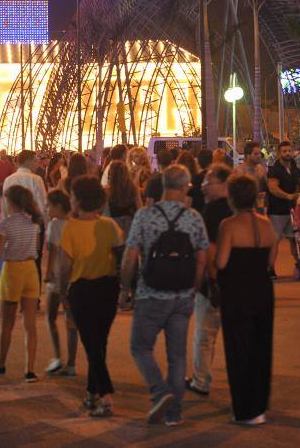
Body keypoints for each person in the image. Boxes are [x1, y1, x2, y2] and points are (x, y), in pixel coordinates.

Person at [121, 164, 208, 427]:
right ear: (185, 187)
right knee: (177, 356)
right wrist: (193, 287)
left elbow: (130, 257)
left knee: (140, 347)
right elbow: (202, 259)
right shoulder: (193, 217)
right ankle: (174, 414)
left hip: (151, 293)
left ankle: (160, 391)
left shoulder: (145, 215)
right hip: (182, 295)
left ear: (162, 185)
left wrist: (125, 289)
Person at [59, 176, 124, 417]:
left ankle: (106, 397)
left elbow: (64, 267)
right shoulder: (109, 225)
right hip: (108, 288)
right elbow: (121, 255)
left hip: (82, 290)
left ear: (78, 200)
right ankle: (91, 392)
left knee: (91, 344)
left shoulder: (70, 227)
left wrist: (62, 292)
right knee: (99, 342)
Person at [216, 174, 278, 425]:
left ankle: (244, 408)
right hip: (262, 290)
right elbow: (271, 261)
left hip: (237, 292)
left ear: (232, 198)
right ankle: (259, 406)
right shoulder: (266, 224)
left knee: (239, 348)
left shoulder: (228, 225)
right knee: (261, 346)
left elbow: (221, 262)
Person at [0, 185, 43, 382]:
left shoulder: (5, 224)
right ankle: (30, 370)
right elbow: (36, 248)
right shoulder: (33, 222)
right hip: (31, 271)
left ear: (10, 202)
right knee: (30, 325)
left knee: (7, 324)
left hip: (12, 272)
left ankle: (1, 363)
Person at [186, 164, 233, 397]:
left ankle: (201, 380)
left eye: (208, 182)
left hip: (215, 282)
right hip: (238, 281)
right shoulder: (238, 208)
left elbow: (209, 249)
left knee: (205, 334)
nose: (203, 186)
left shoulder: (213, 210)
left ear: (223, 184)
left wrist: (210, 281)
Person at [43, 189, 78, 377]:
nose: (47, 209)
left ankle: (57, 357)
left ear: (57, 206)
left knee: (50, 316)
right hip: (74, 276)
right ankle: (71, 364)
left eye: (49, 205)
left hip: (58, 276)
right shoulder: (75, 224)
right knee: (71, 322)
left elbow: (52, 253)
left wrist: (48, 274)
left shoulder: (54, 225)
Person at [266, 141, 300, 277]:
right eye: (284, 151)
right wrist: (288, 196)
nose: (287, 153)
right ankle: (270, 269)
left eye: (289, 151)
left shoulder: (294, 167)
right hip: (277, 211)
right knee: (275, 241)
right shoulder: (275, 169)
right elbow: (272, 188)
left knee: (294, 239)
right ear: (279, 153)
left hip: (292, 210)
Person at [104, 160, 141, 236]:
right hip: (130, 228)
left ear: (111, 174)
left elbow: (104, 214)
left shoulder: (107, 191)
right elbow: (140, 209)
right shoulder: (133, 189)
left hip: (113, 229)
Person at [233, 141, 268, 211]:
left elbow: (266, 186)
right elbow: (237, 192)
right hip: (244, 208)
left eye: (259, 153)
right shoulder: (239, 170)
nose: (259, 156)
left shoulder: (260, 168)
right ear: (247, 155)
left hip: (259, 206)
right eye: (256, 154)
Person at [0, 149, 14, 225]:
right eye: (1, 153)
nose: (3, 155)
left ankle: (6, 219)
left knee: (7, 203)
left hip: (6, 186)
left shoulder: (9, 164)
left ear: (6, 154)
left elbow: (12, 174)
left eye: (4, 153)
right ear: (0, 154)